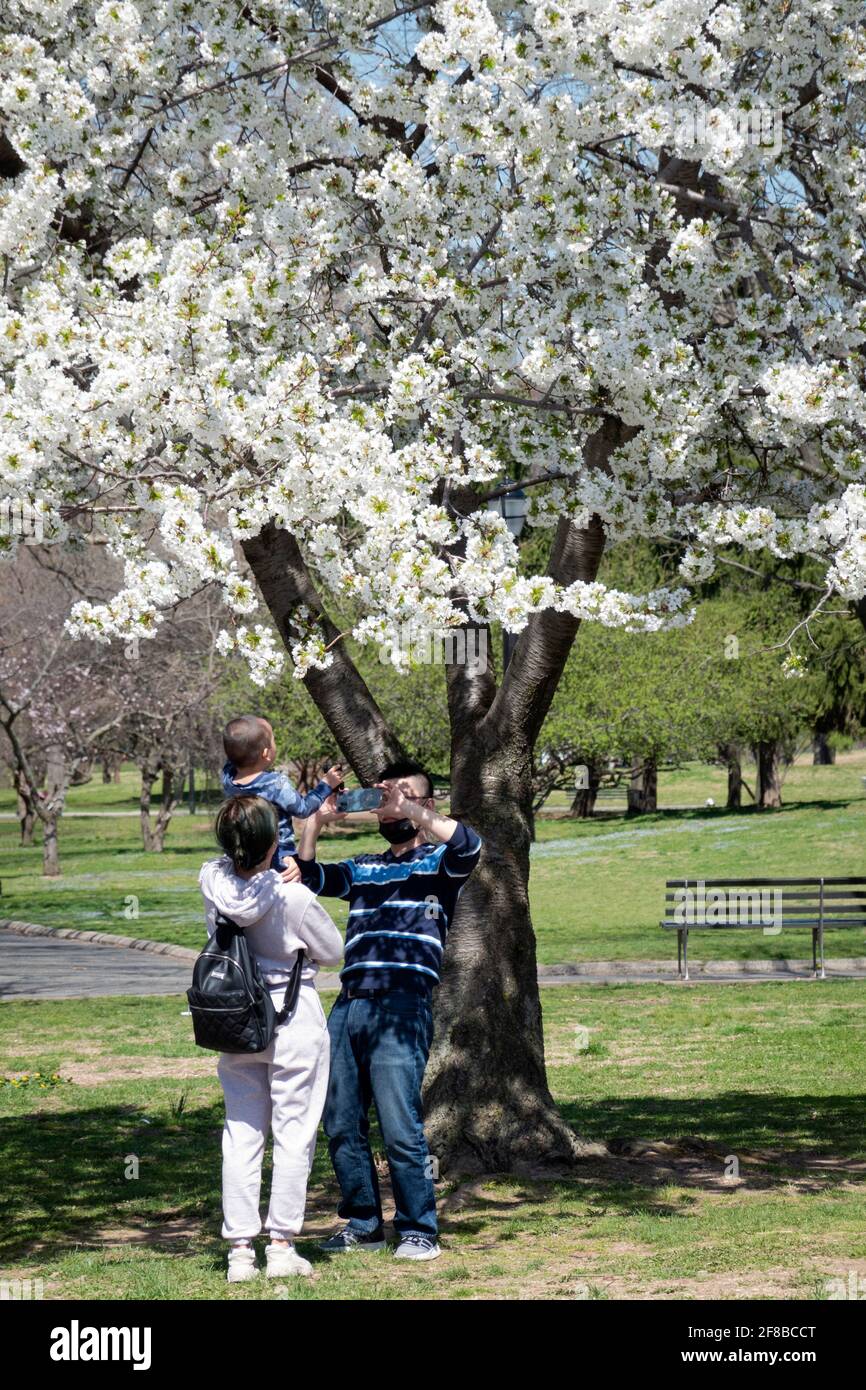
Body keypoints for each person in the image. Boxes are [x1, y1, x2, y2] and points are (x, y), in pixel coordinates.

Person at [296, 758, 482, 1261]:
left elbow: (470, 844)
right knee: (339, 1121)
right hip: (349, 1005)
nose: (391, 803)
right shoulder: (364, 866)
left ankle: (420, 1228)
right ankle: (363, 1223)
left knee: (401, 1125)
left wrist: (415, 812)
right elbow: (306, 878)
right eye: (386, 796)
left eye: (405, 795)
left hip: (402, 1005)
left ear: (427, 804)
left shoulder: (440, 867)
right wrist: (313, 821)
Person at [199, 795, 344, 1283]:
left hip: (237, 1021)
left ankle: (240, 1252)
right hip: (292, 1022)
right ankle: (281, 1246)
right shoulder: (293, 896)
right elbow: (333, 952)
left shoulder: (213, 886)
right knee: (293, 1134)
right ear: (271, 844)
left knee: (241, 1135)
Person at [220, 715, 343, 883]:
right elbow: (302, 808)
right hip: (279, 856)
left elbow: (236, 750)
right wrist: (326, 785)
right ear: (266, 753)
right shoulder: (275, 785)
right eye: (273, 739)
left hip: (242, 856)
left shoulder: (228, 778)